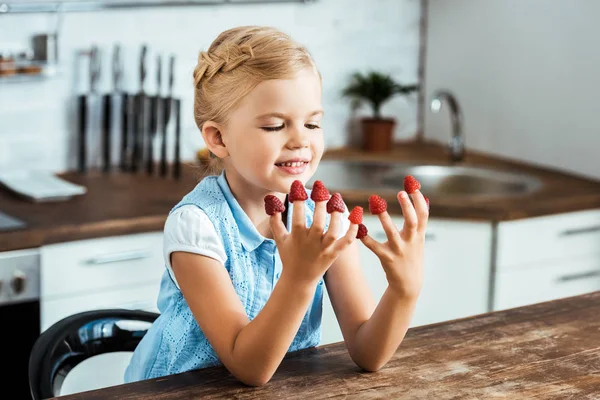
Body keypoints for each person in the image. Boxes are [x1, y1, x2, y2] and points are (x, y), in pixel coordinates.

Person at [124, 25, 429, 387]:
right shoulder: (196, 226)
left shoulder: (327, 217)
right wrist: (299, 277)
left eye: (313, 123)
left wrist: (404, 288)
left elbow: (368, 352)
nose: (300, 139)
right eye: (274, 126)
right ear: (219, 139)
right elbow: (249, 367)